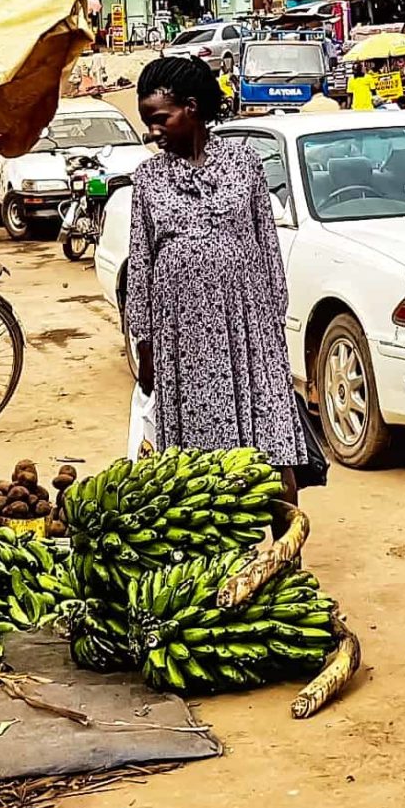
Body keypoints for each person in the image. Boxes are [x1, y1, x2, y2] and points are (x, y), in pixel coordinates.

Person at [124, 56, 321, 495]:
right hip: (183, 335)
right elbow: (141, 264)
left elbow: (267, 246)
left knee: (271, 442)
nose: (152, 132)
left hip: (247, 329)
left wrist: (271, 325)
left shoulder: (243, 163)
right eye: (147, 122)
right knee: (196, 457)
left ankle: (286, 547)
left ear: (191, 108)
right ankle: (220, 550)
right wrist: (146, 347)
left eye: (159, 119)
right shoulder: (148, 179)